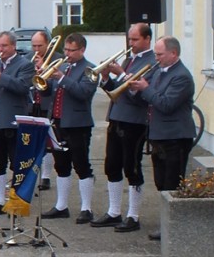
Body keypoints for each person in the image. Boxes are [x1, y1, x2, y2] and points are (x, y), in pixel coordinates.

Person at [129, 36, 196, 241]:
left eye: (160, 54)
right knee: (160, 182)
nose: (156, 58)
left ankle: (172, 229)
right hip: (159, 136)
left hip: (175, 137)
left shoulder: (182, 76)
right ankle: (167, 224)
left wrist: (145, 89)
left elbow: (166, 104)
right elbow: (149, 97)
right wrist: (134, 87)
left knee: (172, 184)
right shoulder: (160, 71)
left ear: (173, 54)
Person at [91, 24, 155, 233]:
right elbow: (116, 92)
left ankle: (133, 215)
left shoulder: (152, 62)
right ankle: (113, 211)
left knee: (132, 167)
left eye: (135, 40)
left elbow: (138, 96)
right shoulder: (130, 60)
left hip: (135, 122)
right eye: (130, 39)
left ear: (147, 39)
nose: (131, 44)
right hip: (117, 118)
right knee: (112, 165)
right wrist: (107, 77)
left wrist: (120, 73)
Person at [39, 33, 98, 223]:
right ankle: (61, 206)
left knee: (81, 165)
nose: (67, 54)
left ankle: (86, 208)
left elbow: (83, 93)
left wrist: (62, 77)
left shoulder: (90, 69)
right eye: (65, 49)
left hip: (78, 124)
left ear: (82, 50)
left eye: (71, 50)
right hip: (58, 122)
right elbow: (49, 91)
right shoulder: (62, 66)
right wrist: (43, 79)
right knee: (61, 165)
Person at [0, 31, 33, 216]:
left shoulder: (25, 65)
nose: (0, 50)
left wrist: (1, 76)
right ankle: (0, 201)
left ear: (13, 46)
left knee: (17, 163)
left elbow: (23, 88)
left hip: (12, 122)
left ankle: (17, 200)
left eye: (4, 46)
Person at [30, 31, 62, 190]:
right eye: (33, 45)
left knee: (48, 143)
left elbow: (53, 84)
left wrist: (44, 67)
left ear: (48, 44)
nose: (36, 49)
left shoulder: (58, 58)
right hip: (33, 103)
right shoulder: (30, 57)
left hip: (47, 104)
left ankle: (46, 176)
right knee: (34, 142)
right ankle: (35, 174)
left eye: (39, 45)